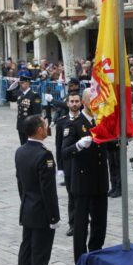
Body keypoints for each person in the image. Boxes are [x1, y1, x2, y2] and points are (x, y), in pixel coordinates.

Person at [15, 114, 65, 265]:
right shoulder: (44, 155)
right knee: (39, 257)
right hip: (42, 213)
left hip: (27, 208)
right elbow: (48, 191)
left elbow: (20, 183)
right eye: (44, 125)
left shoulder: (20, 151)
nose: (47, 128)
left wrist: (26, 204)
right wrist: (54, 217)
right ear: (38, 130)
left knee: (26, 253)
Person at [61, 88, 109, 264]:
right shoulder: (74, 124)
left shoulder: (101, 122)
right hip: (82, 180)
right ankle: (81, 260)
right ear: (84, 102)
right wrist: (79, 146)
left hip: (100, 178)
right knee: (81, 224)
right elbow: (64, 152)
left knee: (100, 221)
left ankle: (96, 253)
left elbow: (108, 147)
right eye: (93, 100)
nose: (96, 103)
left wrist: (121, 140)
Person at [55, 92, 82, 236]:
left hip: (83, 165)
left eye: (77, 101)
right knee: (71, 196)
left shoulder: (86, 120)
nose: (74, 104)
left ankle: (84, 220)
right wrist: (59, 167)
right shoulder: (61, 122)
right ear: (67, 103)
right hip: (69, 165)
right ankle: (73, 223)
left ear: (81, 102)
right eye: (71, 101)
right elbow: (58, 146)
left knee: (83, 195)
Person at [6, 75, 42, 144]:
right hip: (21, 125)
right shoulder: (20, 93)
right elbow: (10, 99)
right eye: (20, 83)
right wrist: (9, 90)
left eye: (22, 83)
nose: (20, 85)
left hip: (29, 126)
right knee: (22, 145)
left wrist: (35, 126)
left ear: (28, 83)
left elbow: (37, 113)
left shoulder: (34, 95)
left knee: (30, 146)